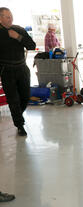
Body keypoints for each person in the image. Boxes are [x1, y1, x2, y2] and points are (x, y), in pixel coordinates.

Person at [0, 7, 36, 136]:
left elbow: (32, 45)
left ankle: (17, 115)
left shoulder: (18, 29)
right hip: (6, 70)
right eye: (7, 17)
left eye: (11, 16)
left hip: (22, 68)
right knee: (13, 99)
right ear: (0, 18)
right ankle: (19, 125)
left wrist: (18, 37)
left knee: (25, 97)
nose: (11, 19)